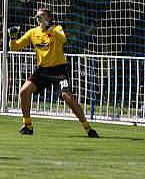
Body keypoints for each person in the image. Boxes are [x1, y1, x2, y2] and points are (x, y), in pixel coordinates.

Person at [8, 8, 99, 137]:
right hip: (42, 71)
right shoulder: (32, 32)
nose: (39, 17)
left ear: (49, 18)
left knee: (68, 98)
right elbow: (15, 48)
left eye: (42, 15)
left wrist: (49, 28)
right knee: (24, 91)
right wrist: (12, 38)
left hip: (59, 70)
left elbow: (63, 40)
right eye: (38, 15)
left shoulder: (57, 29)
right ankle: (27, 125)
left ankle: (88, 128)